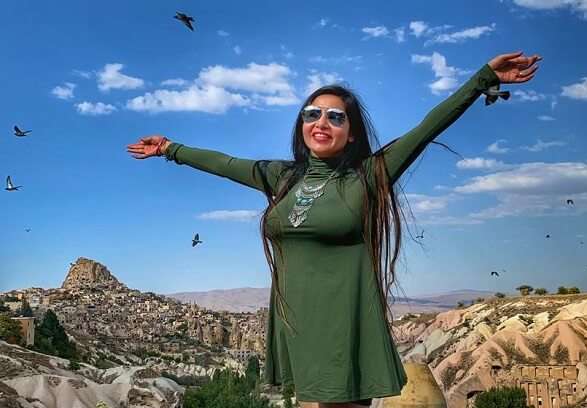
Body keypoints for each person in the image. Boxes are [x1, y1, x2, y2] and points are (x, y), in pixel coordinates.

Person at [127, 51, 541, 408]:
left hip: (345, 322)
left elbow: (426, 128)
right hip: (297, 321)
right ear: (302, 125)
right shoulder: (284, 177)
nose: (321, 122)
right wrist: (169, 149)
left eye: (335, 116)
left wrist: (483, 77)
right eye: (312, 114)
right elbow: (226, 163)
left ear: (351, 132)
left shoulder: (369, 176)